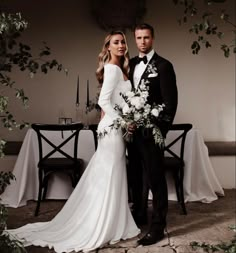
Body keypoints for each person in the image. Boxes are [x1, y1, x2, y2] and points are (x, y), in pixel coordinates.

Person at [7, 31, 140, 253]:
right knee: (110, 173)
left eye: (123, 42)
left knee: (113, 174)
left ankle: (115, 221)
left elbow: (116, 101)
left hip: (116, 129)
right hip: (114, 130)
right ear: (107, 47)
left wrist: (127, 117)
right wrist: (124, 121)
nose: (121, 45)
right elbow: (103, 101)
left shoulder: (122, 70)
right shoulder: (111, 69)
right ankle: (102, 224)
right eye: (116, 42)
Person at [127, 23, 178, 246]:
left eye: (146, 37)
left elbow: (170, 105)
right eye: (139, 38)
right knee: (136, 177)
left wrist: (158, 132)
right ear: (135, 40)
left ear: (153, 39)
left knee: (156, 180)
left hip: (152, 134)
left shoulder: (164, 66)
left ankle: (157, 227)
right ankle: (139, 215)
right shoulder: (130, 64)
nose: (142, 42)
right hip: (132, 134)